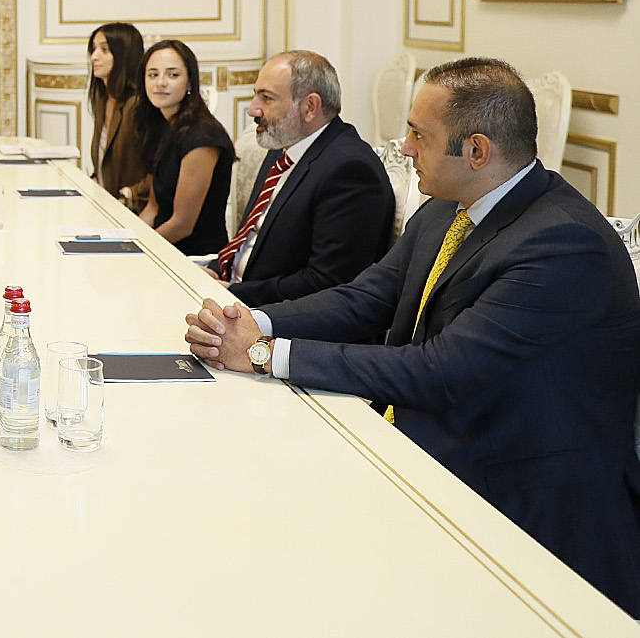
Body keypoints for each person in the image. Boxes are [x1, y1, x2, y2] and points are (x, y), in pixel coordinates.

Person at [183, 57, 640, 615]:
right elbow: (366, 298)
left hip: (525, 501)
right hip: (432, 443)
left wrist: (264, 355)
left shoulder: (562, 243)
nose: (404, 147)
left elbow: (439, 370)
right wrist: (256, 323)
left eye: (419, 135)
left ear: (477, 151)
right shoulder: (448, 208)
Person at [216, 50, 395, 306]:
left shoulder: (350, 171)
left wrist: (234, 292)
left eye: (266, 98)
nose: (253, 109)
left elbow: (327, 283)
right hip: (233, 292)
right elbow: (250, 240)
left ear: (310, 107)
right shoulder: (284, 144)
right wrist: (213, 271)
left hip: (275, 316)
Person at [134, 39, 234, 254]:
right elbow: (153, 208)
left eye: (173, 75)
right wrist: (127, 239)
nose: (160, 83)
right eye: (153, 74)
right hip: (164, 246)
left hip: (195, 258)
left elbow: (182, 224)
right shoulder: (161, 127)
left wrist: (137, 250)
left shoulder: (202, 137)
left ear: (190, 83)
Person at [86, 22, 149, 208]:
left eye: (104, 50)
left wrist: (127, 198)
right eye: (94, 49)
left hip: (131, 209)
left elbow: (158, 172)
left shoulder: (137, 105)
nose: (94, 56)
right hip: (106, 204)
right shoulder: (103, 99)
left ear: (124, 57)